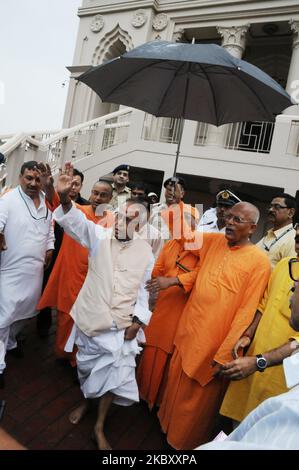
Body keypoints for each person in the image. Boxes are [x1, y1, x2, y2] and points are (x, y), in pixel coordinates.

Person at [147, 200, 271, 449]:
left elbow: (246, 312)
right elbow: (185, 235)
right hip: (188, 331)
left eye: (238, 220)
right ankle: (165, 429)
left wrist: (226, 353)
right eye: (229, 217)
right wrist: (174, 204)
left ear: (253, 228)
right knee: (174, 390)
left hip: (213, 345)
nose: (230, 222)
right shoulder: (214, 241)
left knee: (195, 405)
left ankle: (181, 444)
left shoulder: (260, 262)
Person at [53, 163, 154, 450]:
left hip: (120, 327)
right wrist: (63, 197)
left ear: (142, 226)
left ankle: (98, 426)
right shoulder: (98, 236)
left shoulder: (147, 252)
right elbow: (74, 221)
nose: (124, 223)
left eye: (133, 220)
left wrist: (139, 320)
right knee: (87, 370)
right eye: (123, 217)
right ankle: (86, 402)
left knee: (114, 374)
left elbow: (145, 291)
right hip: (90, 321)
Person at [219, 224, 299, 424]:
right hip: (254, 357)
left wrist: (259, 362)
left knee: (263, 426)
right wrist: (248, 335)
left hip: (279, 371)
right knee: (238, 422)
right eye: (297, 238)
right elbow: (264, 303)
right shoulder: (285, 265)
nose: (297, 244)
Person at [37, 180, 114, 367]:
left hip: (95, 278)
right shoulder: (78, 210)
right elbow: (58, 203)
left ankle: (77, 359)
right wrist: (52, 187)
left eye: (103, 195)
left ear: (110, 198)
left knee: (86, 320)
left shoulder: (113, 219)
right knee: (66, 316)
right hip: (71, 274)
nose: (97, 198)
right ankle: (63, 354)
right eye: (94, 193)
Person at [137, 206, 200, 409]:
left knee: (167, 356)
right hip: (161, 305)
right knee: (150, 349)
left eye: (183, 224)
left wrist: (174, 281)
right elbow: (157, 269)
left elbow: (201, 273)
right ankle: (141, 394)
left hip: (181, 309)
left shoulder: (201, 247)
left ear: (194, 226)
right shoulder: (171, 243)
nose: (177, 229)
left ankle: (157, 401)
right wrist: (152, 288)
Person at [0, 161, 54, 388]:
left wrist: (50, 247)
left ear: (43, 180)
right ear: (20, 177)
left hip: (34, 270)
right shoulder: (8, 199)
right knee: (3, 316)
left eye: (37, 179)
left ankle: (11, 343)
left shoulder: (45, 203)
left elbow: (49, 228)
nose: (33, 183)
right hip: (10, 269)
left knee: (26, 311)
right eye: (28, 178)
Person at [37, 166, 90, 337]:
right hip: (54, 251)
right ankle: (43, 325)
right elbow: (54, 200)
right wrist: (49, 186)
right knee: (45, 286)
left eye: (75, 183)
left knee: (70, 296)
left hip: (74, 259)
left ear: (81, 186)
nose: (72, 187)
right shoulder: (58, 199)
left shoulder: (88, 207)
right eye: (69, 182)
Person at [256, 193, 297, 269]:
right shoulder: (270, 234)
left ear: (291, 213)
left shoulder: (293, 240)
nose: (271, 210)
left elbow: (289, 276)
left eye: (277, 207)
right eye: (271, 206)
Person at [150, 176, 191, 240]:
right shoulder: (154, 209)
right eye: (169, 190)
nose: (171, 193)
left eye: (174, 190)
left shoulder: (188, 213)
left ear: (182, 193)